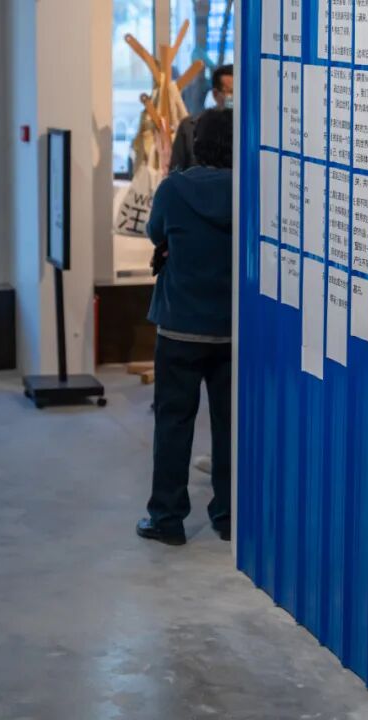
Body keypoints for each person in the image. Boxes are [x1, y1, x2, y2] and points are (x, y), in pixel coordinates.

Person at [136, 109, 234, 546]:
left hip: (179, 326)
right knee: (229, 425)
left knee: (173, 423)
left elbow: (155, 232)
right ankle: (229, 514)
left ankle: (167, 517)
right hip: (231, 329)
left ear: (198, 144)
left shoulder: (174, 188)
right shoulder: (250, 189)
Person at [169, 64, 234, 173]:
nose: (237, 97)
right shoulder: (190, 127)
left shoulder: (252, 132)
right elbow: (175, 172)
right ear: (215, 94)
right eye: (231, 92)